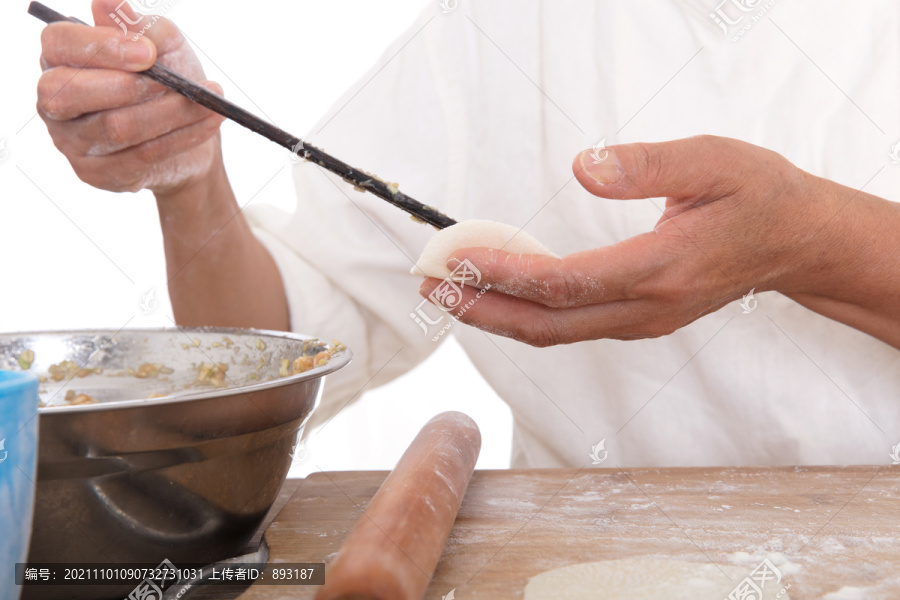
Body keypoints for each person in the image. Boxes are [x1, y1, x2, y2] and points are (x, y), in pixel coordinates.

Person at [37, 0, 899, 468]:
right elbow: (274, 366)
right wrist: (189, 181)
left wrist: (814, 240)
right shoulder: (493, 28)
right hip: (584, 565)